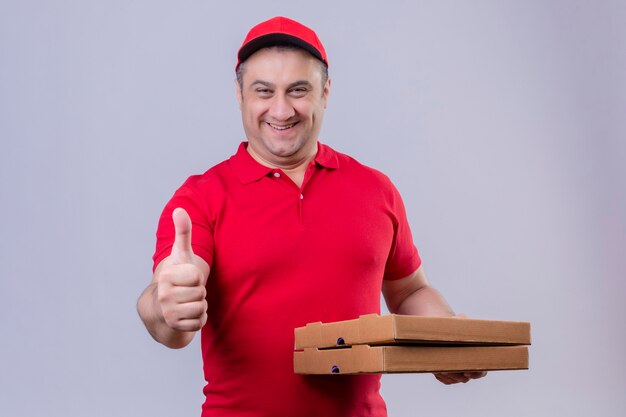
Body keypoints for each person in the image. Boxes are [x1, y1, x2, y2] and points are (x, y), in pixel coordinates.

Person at [137, 16, 485, 417]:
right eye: (263, 91)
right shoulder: (200, 198)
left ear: (326, 92)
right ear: (239, 95)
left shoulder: (376, 190)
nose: (282, 110)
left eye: (298, 90)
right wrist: (167, 307)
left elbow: (408, 292)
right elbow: (165, 315)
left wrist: (445, 337)